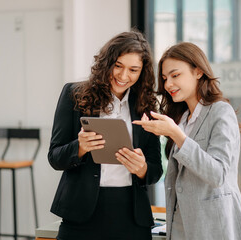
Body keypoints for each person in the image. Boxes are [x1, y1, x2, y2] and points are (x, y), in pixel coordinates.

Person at [48, 30, 163, 240]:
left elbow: (156, 170)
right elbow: (55, 157)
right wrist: (79, 147)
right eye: (118, 65)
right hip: (81, 215)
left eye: (133, 70)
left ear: (142, 73)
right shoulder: (74, 94)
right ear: (106, 62)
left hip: (132, 217)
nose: (123, 76)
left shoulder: (146, 105)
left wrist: (142, 168)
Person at [133, 42, 241, 239]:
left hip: (214, 229)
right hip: (181, 227)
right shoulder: (182, 118)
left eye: (175, 75)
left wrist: (176, 135)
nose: (168, 84)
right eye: (164, 78)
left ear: (198, 72)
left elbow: (218, 174)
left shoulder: (220, 111)